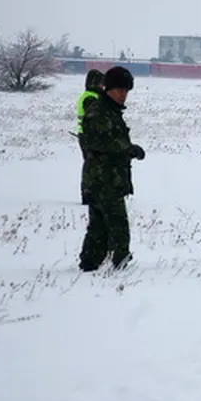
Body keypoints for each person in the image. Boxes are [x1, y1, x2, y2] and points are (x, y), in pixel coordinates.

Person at [77, 66, 145, 272]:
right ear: (108, 89)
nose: (123, 95)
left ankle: (89, 263)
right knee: (118, 225)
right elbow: (101, 142)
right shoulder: (99, 111)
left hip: (107, 178)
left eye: (126, 91)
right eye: (119, 90)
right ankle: (121, 263)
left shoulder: (111, 111)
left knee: (98, 227)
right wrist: (129, 149)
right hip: (103, 179)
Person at [76, 69, 104, 205]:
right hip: (89, 137)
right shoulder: (90, 98)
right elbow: (95, 119)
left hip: (90, 137)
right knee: (91, 168)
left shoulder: (93, 96)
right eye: (100, 84)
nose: (103, 86)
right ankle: (88, 197)